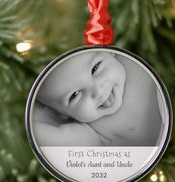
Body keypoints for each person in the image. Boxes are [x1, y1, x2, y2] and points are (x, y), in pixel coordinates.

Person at [32, 51, 163, 146]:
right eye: (75, 95)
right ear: (61, 114)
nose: (97, 90)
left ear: (110, 52)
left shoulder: (131, 57)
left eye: (95, 68)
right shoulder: (92, 133)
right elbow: (51, 138)